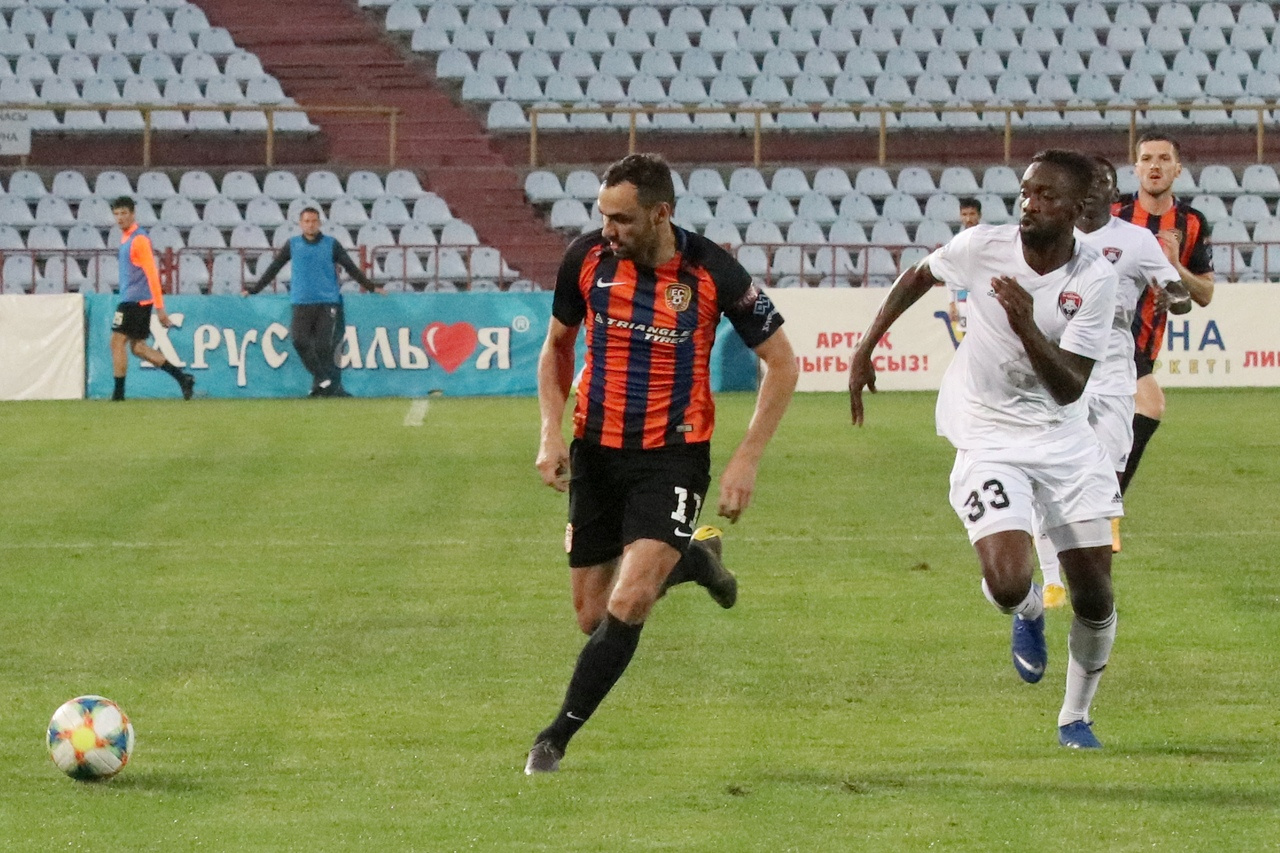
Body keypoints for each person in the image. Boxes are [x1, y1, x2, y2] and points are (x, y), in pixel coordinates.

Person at [526, 153, 797, 774]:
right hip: (596, 452)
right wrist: (549, 432)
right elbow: (557, 346)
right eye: (603, 216)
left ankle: (554, 739)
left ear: (660, 213)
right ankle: (695, 560)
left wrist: (746, 458)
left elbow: (782, 363)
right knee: (592, 616)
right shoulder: (585, 259)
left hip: (673, 457)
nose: (608, 230)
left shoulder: (713, 271)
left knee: (631, 600)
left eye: (621, 219)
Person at [849, 150, 1122, 749]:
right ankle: (1028, 611)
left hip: (1062, 439)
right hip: (987, 434)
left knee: (1095, 594)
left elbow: (1070, 386)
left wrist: (1025, 323)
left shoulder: (1095, 279)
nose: (1030, 204)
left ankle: (1075, 717)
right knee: (1006, 583)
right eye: (1026, 192)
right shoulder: (981, 246)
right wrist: (866, 346)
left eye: (1046, 196)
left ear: (1077, 209)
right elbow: (920, 274)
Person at [1036, 156, 1189, 609]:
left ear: (1113, 192)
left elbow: (1174, 289)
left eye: (1100, 183)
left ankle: (1091, 573)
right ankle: (1051, 580)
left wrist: (1174, 296)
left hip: (1114, 377)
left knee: (1103, 480)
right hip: (1059, 369)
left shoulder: (1136, 240)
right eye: (1084, 183)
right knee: (1048, 472)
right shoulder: (1054, 234)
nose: (1091, 191)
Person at [1111, 132, 1215, 550]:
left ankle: (1090, 507)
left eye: (1164, 158)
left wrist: (1174, 268)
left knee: (1108, 427)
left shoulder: (1191, 223)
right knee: (1150, 404)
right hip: (1107, 334)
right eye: (1147, 158)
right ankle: (1107, 507)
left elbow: (1204, 294)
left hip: (1147, 344)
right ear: (1135, 168)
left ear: (1178, 169)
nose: (1155, 165)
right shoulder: (1114, 214)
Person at [244, 207, 381, 397]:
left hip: (327, 302)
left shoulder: (331, 244)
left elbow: (350, 267)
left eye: (314, 221)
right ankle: (323, 379)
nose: (310, 224)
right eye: (307, 221)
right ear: (301, 224)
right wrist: (255, 289)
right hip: (301, 302)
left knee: (324, 346)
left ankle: (324, 388)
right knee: (299, 340)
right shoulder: (292, 244)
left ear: (319, 223)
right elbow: (274, 267)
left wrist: (371, 287)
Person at [109, 196, 194, 401]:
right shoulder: (127, 238)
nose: (120, 218)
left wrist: (160, 307)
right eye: (116, 214)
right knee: (138, 348)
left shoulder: (139, 240)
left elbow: (152, 274)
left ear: (133, 214)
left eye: (123, 213)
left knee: (116, 342)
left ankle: (118, 395)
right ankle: (182, 378)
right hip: (134, 299)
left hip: (135, 301)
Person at [947, 197, 984, 339]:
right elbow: (951, 273)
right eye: (964, 214)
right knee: (966, 339)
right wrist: (952, 302)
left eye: (972, 214)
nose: (968, 219)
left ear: (979, 215)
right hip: (963, 298)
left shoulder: (987, 238)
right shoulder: (955, 243)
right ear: (960, 216)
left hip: (984, 297)